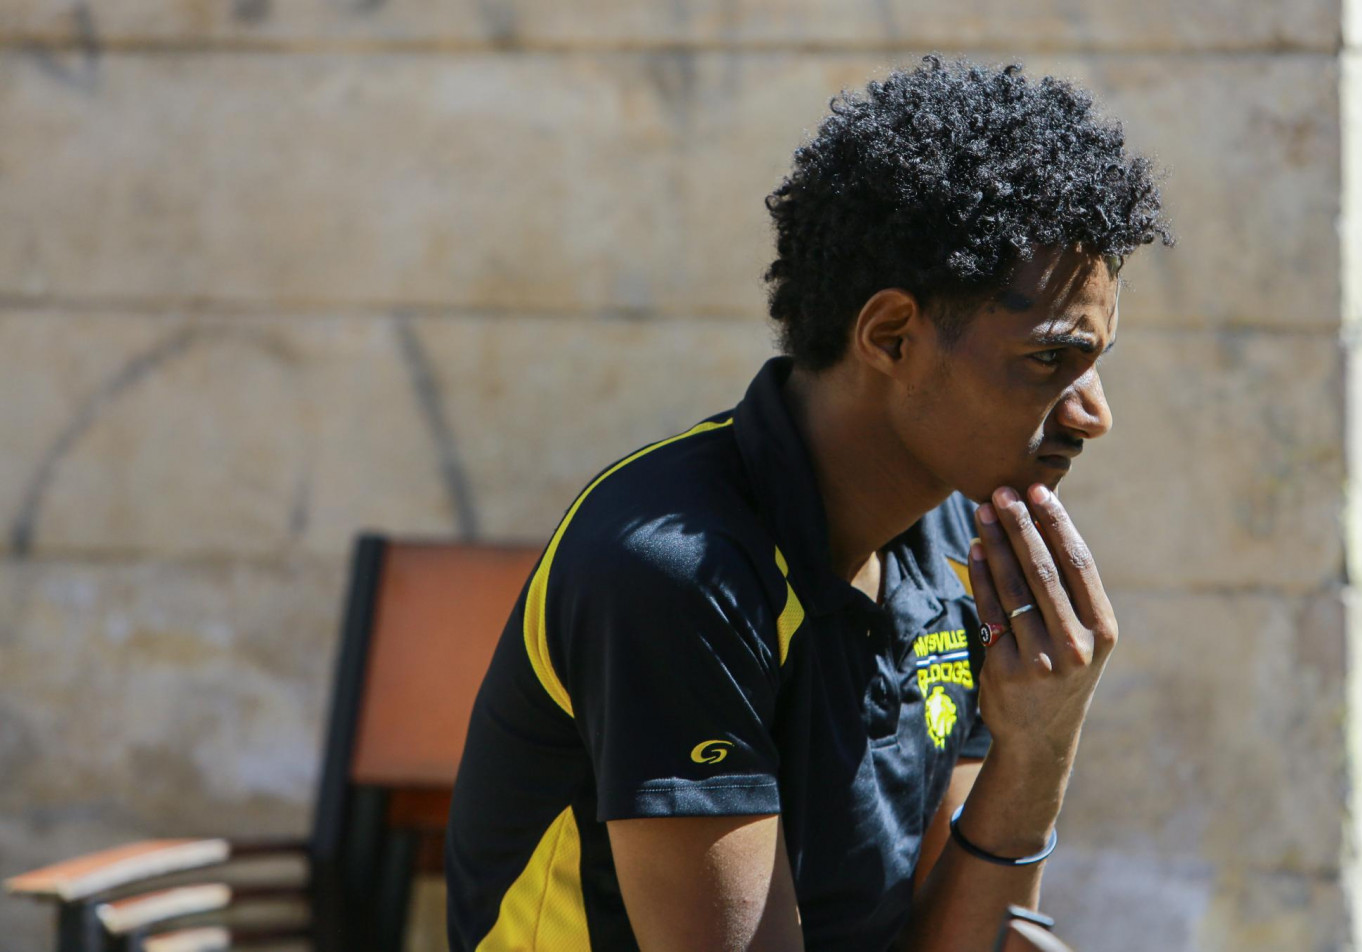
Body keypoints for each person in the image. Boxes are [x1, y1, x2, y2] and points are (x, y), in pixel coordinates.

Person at [446, 55, 1171, 952]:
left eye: (1096, 364)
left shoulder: (959, 543)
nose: (1094, 415)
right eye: (1050, 360)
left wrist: (1040, 743)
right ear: (891, 336)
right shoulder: (679, 574)